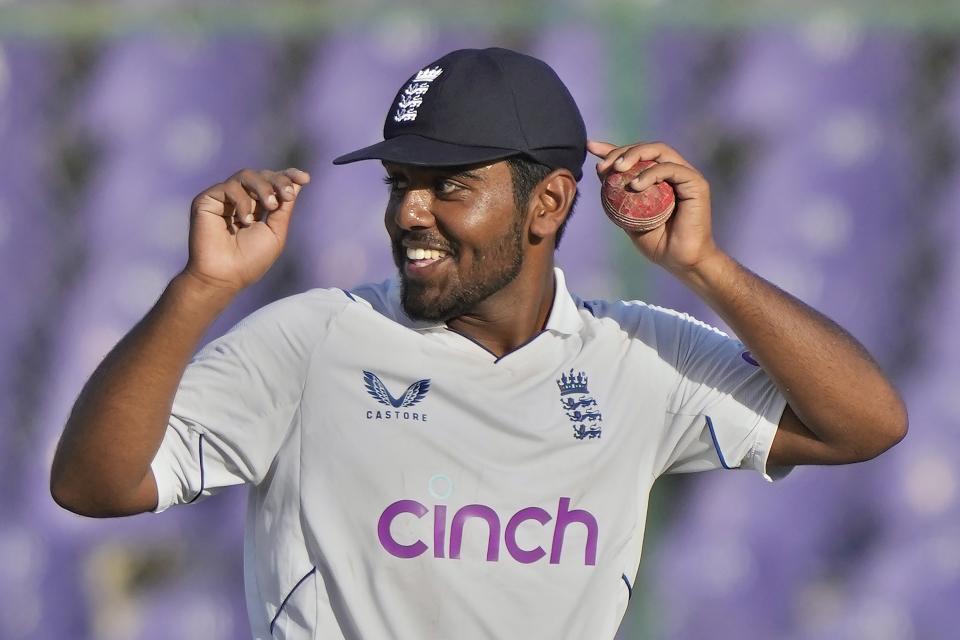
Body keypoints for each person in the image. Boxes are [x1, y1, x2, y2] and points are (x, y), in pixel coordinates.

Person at [50, 47, 907, 639]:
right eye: (400, 183)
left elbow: (862, 424)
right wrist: (201, 289)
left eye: (449, 185)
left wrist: (706, 267)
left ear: (549, 202)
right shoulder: (308, 340)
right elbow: (95, 485)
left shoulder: (638, 355)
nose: (409, 213)